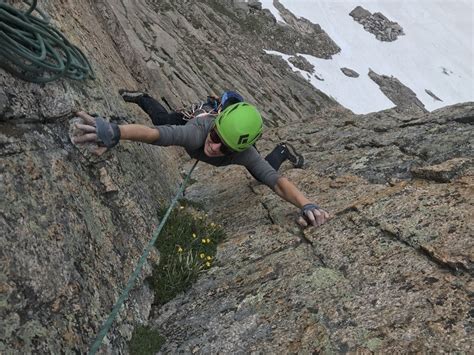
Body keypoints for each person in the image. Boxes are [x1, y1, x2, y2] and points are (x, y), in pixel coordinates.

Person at [72, 92, 330, 228]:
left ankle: (282, 150)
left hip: (239, 145)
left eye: (224, 147)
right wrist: (116, 131)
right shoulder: (196, 133)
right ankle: (142, 97)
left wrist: (307, 204)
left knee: (264, 174)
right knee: (162, 120)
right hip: (192, 121)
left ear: (238, 150)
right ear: (215, 125)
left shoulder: (245, 153)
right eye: (215, 136)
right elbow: (155, 135)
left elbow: (277, 182)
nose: (214, 147)